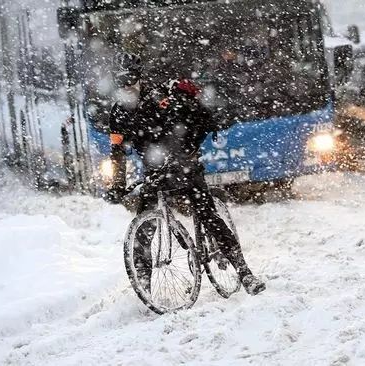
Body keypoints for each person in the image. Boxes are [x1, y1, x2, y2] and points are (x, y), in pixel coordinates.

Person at [106, 52, 266, 296]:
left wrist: (180, 157)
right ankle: (145, 286)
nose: (126, 86)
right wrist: (117, 184)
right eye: (120, 81)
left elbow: (184, 128)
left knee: (207, 214)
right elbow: (117, 151)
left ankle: (245, 273)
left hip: (184, 162)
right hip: (154, 170)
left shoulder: (160, 99)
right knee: (144, 231)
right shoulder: (118, 113)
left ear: (139, 78)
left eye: (130, 79)